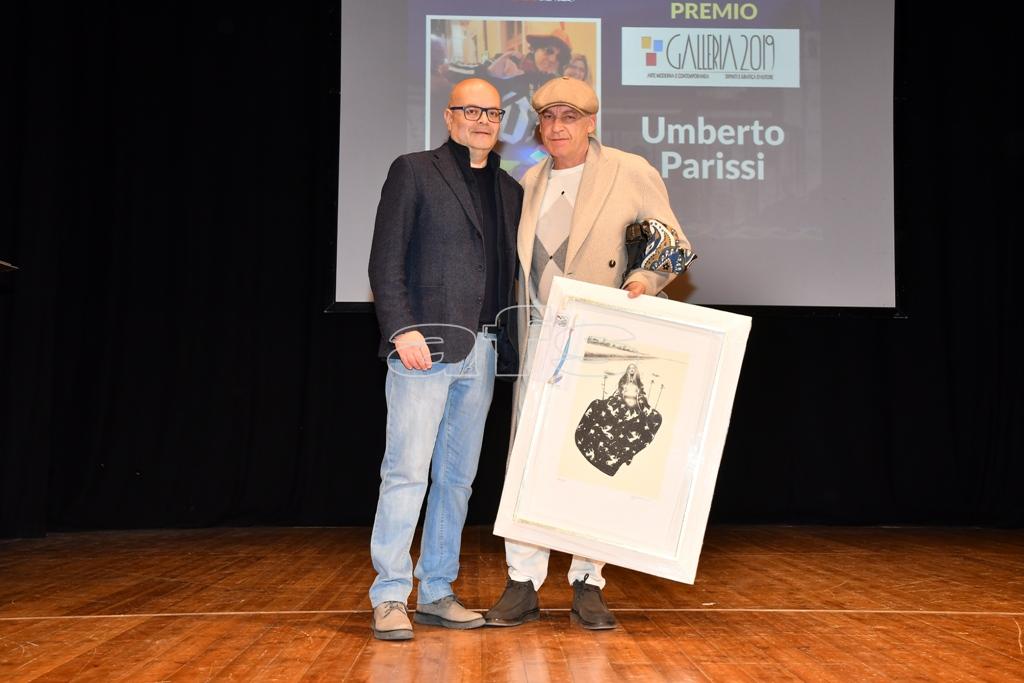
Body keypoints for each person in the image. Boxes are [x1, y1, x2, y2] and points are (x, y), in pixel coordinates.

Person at [484, 76, 693, 630]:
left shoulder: (629, 170)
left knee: (594, 459)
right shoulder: (529, 179)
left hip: (604, 336)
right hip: (540, 335)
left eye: (569, 117)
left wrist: (644, 280)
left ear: (590, 123)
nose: (557, 127)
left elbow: (672, 242)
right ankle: (522, 581)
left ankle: (588, 581)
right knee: (527, 457)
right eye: (548, 117)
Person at [366, 78, 523, 641]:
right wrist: (401, 329)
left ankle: (435, 591)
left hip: (483, 349)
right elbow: (385, 260)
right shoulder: (414, 170)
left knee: (457, 480)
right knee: (406, 473)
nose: (483, 120)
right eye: (471, 110)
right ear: (450, 116)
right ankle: (390, 595)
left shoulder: (510, 190)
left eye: (493, 112)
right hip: (423, 348)